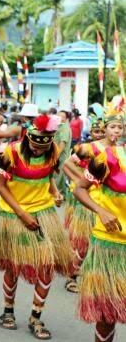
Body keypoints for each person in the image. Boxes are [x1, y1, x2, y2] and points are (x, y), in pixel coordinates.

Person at [0, 114, 72, 340]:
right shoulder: (12, 152)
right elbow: (1, 186)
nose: (38, 150)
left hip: (44, 211)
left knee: (47, 264)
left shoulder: (54, 152)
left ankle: (36, 317)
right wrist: (22, 213)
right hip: (14, 213)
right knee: (14, 265)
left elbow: (48, 178)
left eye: (43, 147)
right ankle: (8, 311)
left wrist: (55, 193)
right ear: (27, 139)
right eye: (35, 146)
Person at [72, 108, 124, 342]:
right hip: (111, 243)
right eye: (114, 126)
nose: (116, 130)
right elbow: (80, 187)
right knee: (107, 311)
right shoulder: (107, 156)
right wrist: (100, 210)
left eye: (119, 127)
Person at [61, 119, 107, 293]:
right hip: (84, 200)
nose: (100, 134)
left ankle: (95, 277)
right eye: (97, 131)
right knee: (82, 241)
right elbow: (67, 164)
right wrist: (79, 182)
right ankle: (72, 276)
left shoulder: (116, 151)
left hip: (105, 202)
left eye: (103, 131)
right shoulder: (86, 148)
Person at [54, 107, 72, 198]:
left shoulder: (64, 128)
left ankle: (60, 196)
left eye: (62, 116)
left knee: (59, 177)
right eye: (58, 115)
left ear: (66, 119)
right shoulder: (59, 127)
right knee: (58, 177)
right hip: (57, 156)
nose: (59, 117)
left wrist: (55, 156)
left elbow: (62, 143)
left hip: (61, 157)